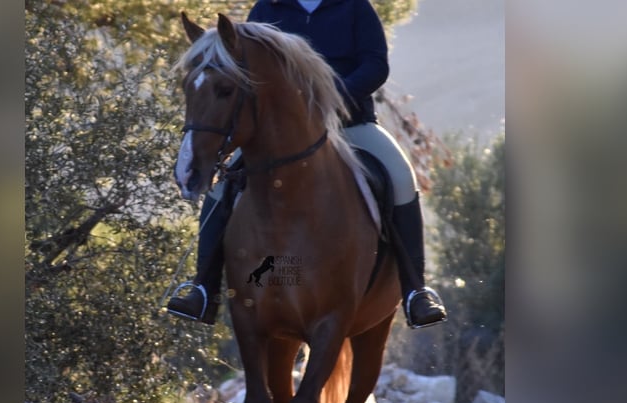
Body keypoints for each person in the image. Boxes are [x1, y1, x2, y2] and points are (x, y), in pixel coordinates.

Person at [167, 0, 447, 328]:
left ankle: (415, 291)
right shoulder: (267, 10)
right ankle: (202, 286)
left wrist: (331, 96)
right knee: (223, 186)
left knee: (400, 176)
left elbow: (375, 65)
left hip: (349, 123)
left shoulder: (355, 8)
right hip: (280, 135)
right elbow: (247, 71)